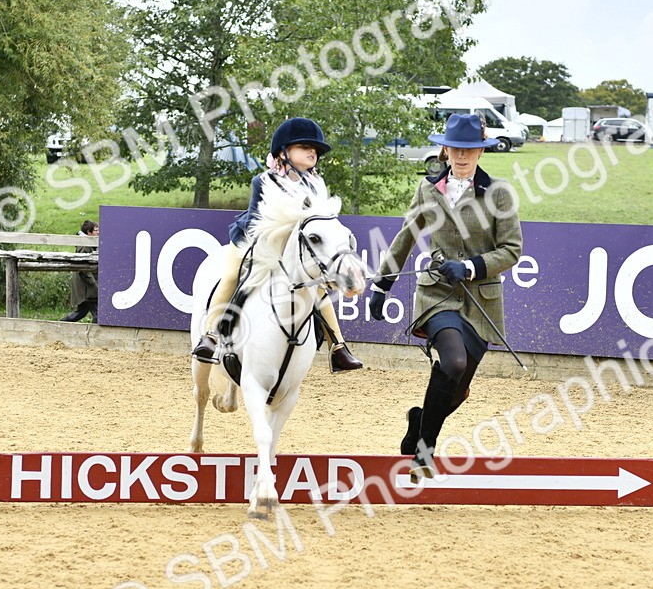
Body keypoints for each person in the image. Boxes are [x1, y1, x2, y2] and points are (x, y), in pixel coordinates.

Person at [368, 112, 523, 477]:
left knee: (459, 389)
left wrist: (470, 267)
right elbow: (405, 237)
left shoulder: (499, 193)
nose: (462, 155)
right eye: (456, 148)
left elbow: (512, 250)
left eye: (470, 149)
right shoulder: (427, 189)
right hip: (437, 294)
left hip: (479, 300)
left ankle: (420, 419)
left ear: (481, 151)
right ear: (446, 149)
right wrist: (382, 284)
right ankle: (425, 450)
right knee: (451, 363)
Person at [191, 117, 363, 372]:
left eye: (314, 149)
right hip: (254, 245)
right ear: (283, 152)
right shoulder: (264, 182)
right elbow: (253, 224)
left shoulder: (317, 185)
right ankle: (211, 335)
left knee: (319, 291)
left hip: (297, 255)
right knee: (230, 276)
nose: (312, 151)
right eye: (304, 146)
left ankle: (338, 346)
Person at [61, 220, 99, 323]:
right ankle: (95, 336)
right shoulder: (85, 246)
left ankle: (60, 325)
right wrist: (93, 284)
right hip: (86, 287)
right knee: (98, 314)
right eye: (96, 230)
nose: (98, 232)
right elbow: (83, 269)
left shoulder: (88, 244)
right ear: (89, 232)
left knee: (80, 312)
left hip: (86, 286)